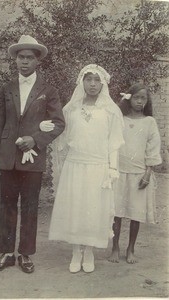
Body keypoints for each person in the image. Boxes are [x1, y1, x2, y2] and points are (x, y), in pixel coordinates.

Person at [0, 35, 65, 274]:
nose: (24, 62)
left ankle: (25, 254)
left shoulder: (48, 90)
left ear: (37, 61)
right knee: (7, 205)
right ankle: (7, 253)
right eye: (21, 57)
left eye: (29, 58)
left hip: (32, 159)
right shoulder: (7, 88)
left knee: (30, 207)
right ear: (15, 60)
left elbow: (59, 123)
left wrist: (36, 140)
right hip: (8, 158)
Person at [49, 64, 124, 273]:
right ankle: (76, 251)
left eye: (96, 80)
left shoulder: (111, 111)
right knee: (76, 207)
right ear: (82, 82)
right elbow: (61, 138)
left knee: (93, 209)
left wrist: (113, 168)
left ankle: (89, 251)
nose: (92, 84)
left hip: (98, 167)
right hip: (75, 165)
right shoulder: (70, 109)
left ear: (103, 83)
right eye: (88, 79)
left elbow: (114, 142)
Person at [108, 83, 162, 264]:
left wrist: (147, 173)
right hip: (119, 172)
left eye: (143, 98)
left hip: (139, 174)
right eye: (136, 97)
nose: (139, 102)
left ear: (147, 101)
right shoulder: (119, 119)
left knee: (135, 214)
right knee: (117, 212)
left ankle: (131, 248)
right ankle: (115, 246)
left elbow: (153, 150)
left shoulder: (149, 122)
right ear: (130, 98)